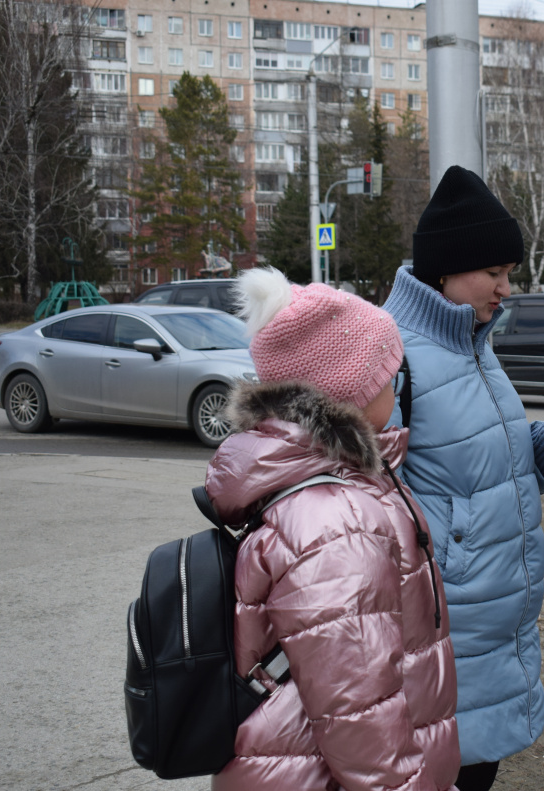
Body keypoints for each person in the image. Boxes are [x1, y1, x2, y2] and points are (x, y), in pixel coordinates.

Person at [383, 165, 544, 791]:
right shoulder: (391, 355)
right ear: (449, 269)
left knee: (476, 770)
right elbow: (362, 505)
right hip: (442, 625)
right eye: (497, 273)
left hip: (489, 623)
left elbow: (476, 470)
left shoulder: (473, 343)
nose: (508, 288)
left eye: (510, 274)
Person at [206, 268, 460, 791]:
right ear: (353, 394)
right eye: (390, 374)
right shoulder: (337, 523)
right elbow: (359, 712)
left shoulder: (336, 489)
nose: (397, 385)